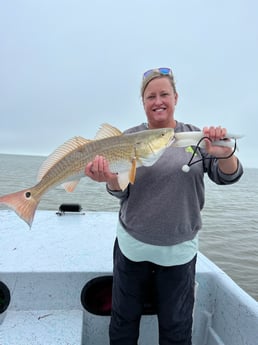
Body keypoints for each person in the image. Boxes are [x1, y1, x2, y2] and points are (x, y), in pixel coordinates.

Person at [85, 67, 243, 345]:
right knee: (123, 321)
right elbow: (121, 192)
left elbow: (227, 175)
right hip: (132, 247)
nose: (158, 101)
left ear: (175, 98)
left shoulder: (195, 136)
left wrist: (225, 152)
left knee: (176, 328)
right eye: (150, 96)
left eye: (164, 94)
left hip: (178, 253)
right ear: (143, 103)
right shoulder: (127, 139)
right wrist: (109, 180)